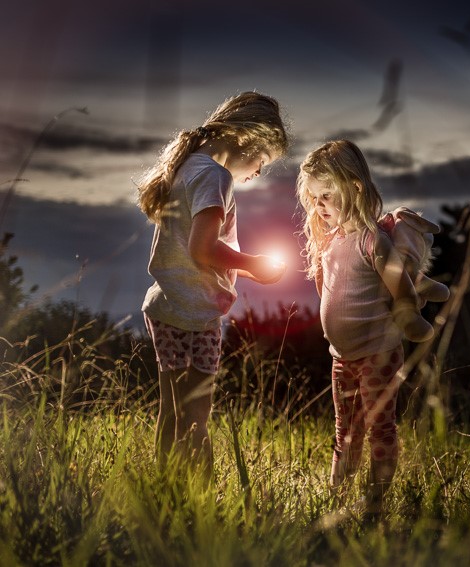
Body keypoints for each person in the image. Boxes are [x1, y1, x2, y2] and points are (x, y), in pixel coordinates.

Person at [137, 91, 290, 477]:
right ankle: (203, 506)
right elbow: (203, 249)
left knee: (171, 413)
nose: (257, 172)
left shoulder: (188, 165)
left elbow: (193, 248)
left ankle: (165, 493)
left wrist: (247, 269)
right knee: (196, 418)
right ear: (250, 140)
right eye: (262, 161)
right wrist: (252, 262)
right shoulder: (214, 176)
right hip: (195, 311)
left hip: (167, 304)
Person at [297, 139, 437, 517]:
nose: (319, 206)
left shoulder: (371, 240)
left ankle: (375, 504)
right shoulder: (328, 243)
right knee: (345, 432)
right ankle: (337, 500)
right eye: (314, 199)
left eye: (326, 195)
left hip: (378, 352)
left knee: (380, 429)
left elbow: (400, 287)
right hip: (341, 357)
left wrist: (409, 313)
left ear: (354, 187)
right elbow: (328, 292)